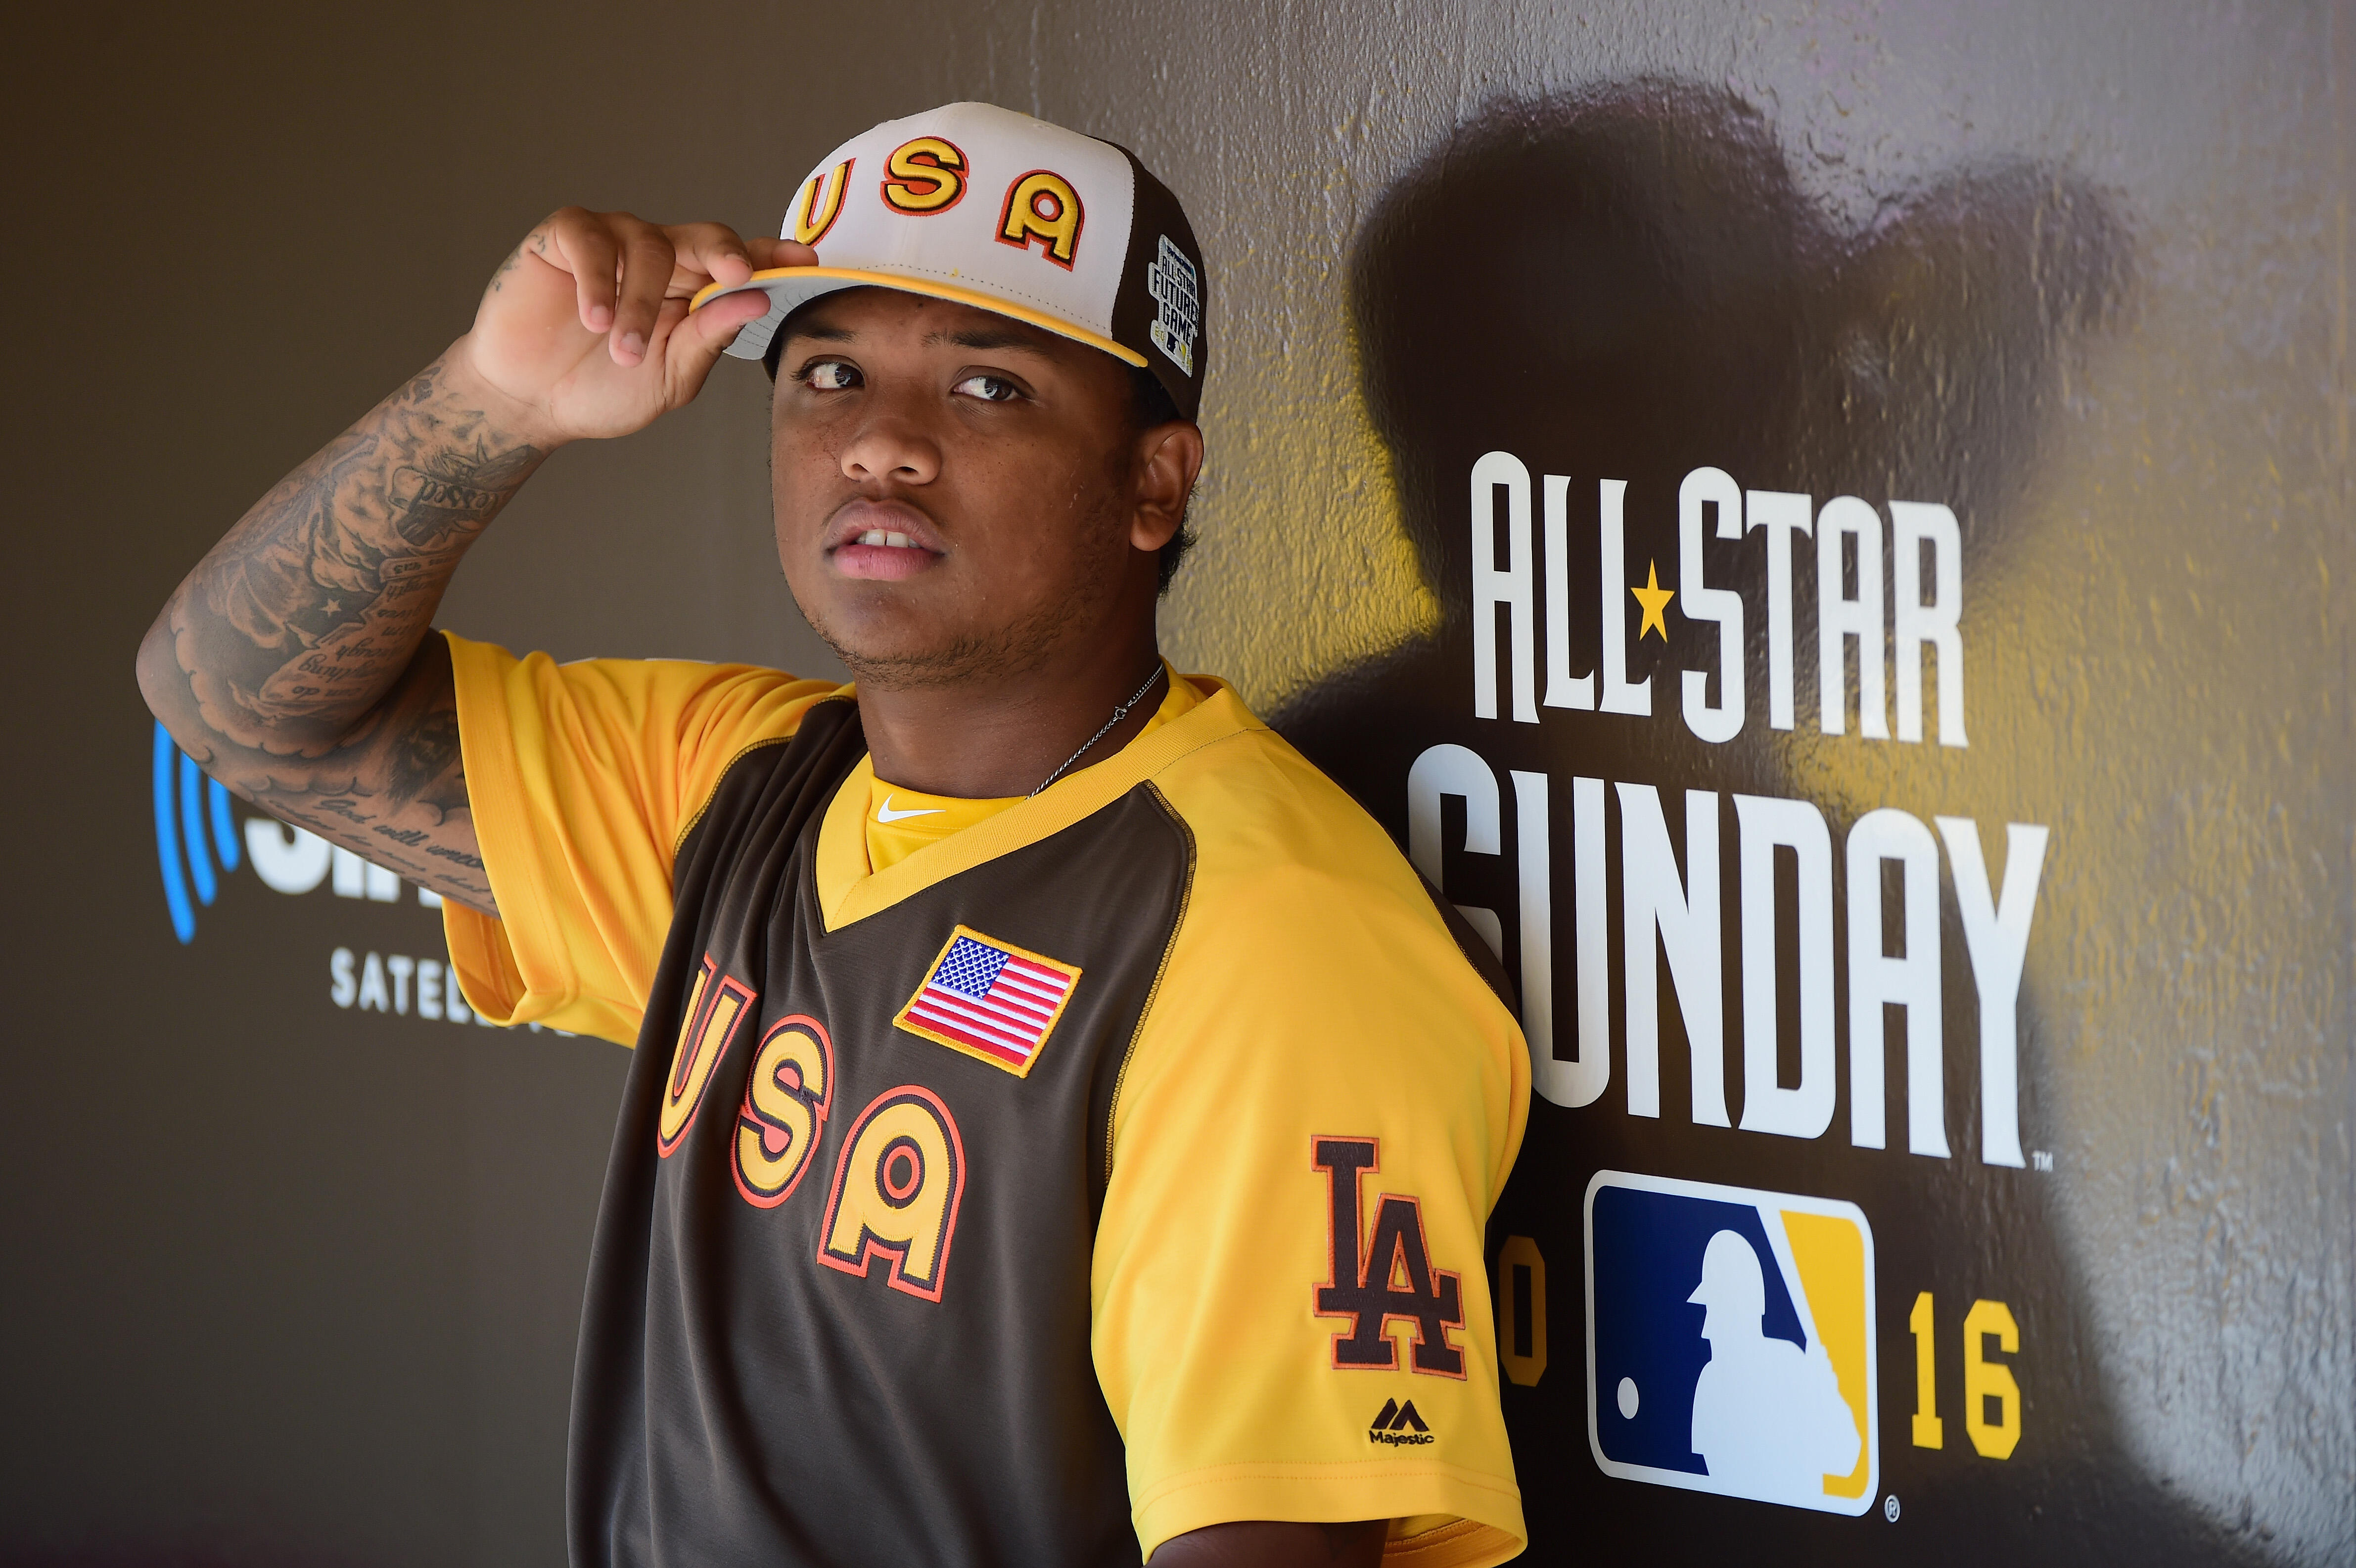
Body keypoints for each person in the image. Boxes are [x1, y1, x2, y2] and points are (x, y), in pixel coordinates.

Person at [137, 101, 1529, 1568]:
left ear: (1153, 481)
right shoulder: (744, 785)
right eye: (828, 371)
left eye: (987, 387)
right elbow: (233, 699)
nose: (879, 442)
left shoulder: (1258, 938)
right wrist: (495, 400)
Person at [1685, 1230, 1861, 1504]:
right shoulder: (1712, 1384)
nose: (1705, 1330)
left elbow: (1847, 1457)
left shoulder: (1791, 1365)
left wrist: (1825, 1392)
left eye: (1716, 1311)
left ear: (1743, 1311)